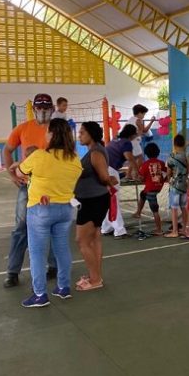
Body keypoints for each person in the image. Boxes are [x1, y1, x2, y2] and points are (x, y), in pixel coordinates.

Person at [16, 118, 83, 307]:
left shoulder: (39, 156)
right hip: (66, 210)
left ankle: (39, 294)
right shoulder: (74, 159)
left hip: (40, 209)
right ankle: (63, 287)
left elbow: (21, 172)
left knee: (37, 253)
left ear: (52, 134)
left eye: (47, 131)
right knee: (62, 249)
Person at [1, 93, 57, 288]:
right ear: (34, 109)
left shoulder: (59, 130)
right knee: (21, 228)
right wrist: (13, 175)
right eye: (39, 108)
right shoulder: (23, 128)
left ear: (53, 109)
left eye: (46, 108)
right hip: (27, 185)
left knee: (52, 226)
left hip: (51, 185)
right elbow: (7, 149)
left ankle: (54, 266)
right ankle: (12, 271)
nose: (43, 111)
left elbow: (66, 156)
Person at [74, 121, 114, 292]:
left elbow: (104, 176)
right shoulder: (94, 150)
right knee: (94, 237)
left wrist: (111, 180)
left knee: (82, 241)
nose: (79, 135)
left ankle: (95, 279)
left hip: (93, 200)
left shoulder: (96, 152)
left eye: (82, 132)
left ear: (91, 133)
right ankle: (95, 275)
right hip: (93, 198)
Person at [136, 142, 166, 236]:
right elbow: (166, 174)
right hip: (158, 187)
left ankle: (159, 230)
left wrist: (137, 176)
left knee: (155, 210)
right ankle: (138, 212)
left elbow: (140, 177)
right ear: (157, 152)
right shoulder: (161, 163)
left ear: (146, 153)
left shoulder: (145, 165)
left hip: (151, 189)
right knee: (143, 194)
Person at [165, 134, 188, 238]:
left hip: (175, 185)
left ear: (174, 144)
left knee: (174, 208)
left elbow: (168, 172)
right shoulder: (188, 156)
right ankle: (184, 228)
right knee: (184, 207)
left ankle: (175, 231)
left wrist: (168, 178)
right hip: (185, 184)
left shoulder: (171, 157)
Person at [101, 166, 127, 238]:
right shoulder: (104, 166)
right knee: (109, 209)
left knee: (110, 210)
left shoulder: (106, 167)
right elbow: (114, 179)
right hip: (105, 189)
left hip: (107, 190)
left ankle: (114, 229)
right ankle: (113, 229)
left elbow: (114, 180)